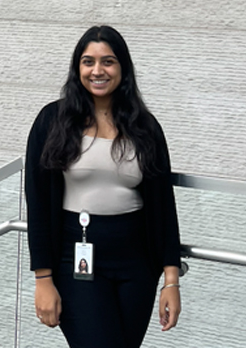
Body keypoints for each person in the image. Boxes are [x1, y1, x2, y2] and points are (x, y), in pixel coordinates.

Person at [25, 25, 182, 348]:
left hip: (137, 264)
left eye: (108, 61)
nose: (98, 70)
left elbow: (163, 205)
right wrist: (43, 279)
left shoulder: (145, 127)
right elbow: (38, 203)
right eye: (88, 61)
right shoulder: (52, 121)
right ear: (77, 68)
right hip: (75, 260)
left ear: (122, 68)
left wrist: (171, 280)